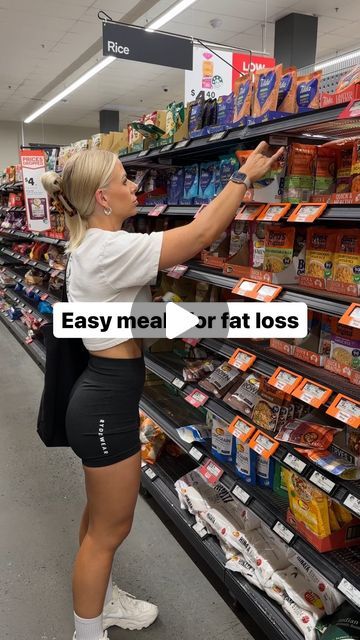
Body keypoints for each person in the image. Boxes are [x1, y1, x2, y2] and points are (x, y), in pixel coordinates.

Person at [41, 141, 283, 640]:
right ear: (103, 197)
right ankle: (87, 633)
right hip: (105, 405)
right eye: (125, 180)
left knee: (97, 521)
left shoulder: (97, 242)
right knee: (109, 532)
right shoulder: (110, 249)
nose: (135, 187)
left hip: (103, 394)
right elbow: (202, 232)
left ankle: (104, 603)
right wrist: (243, 177)